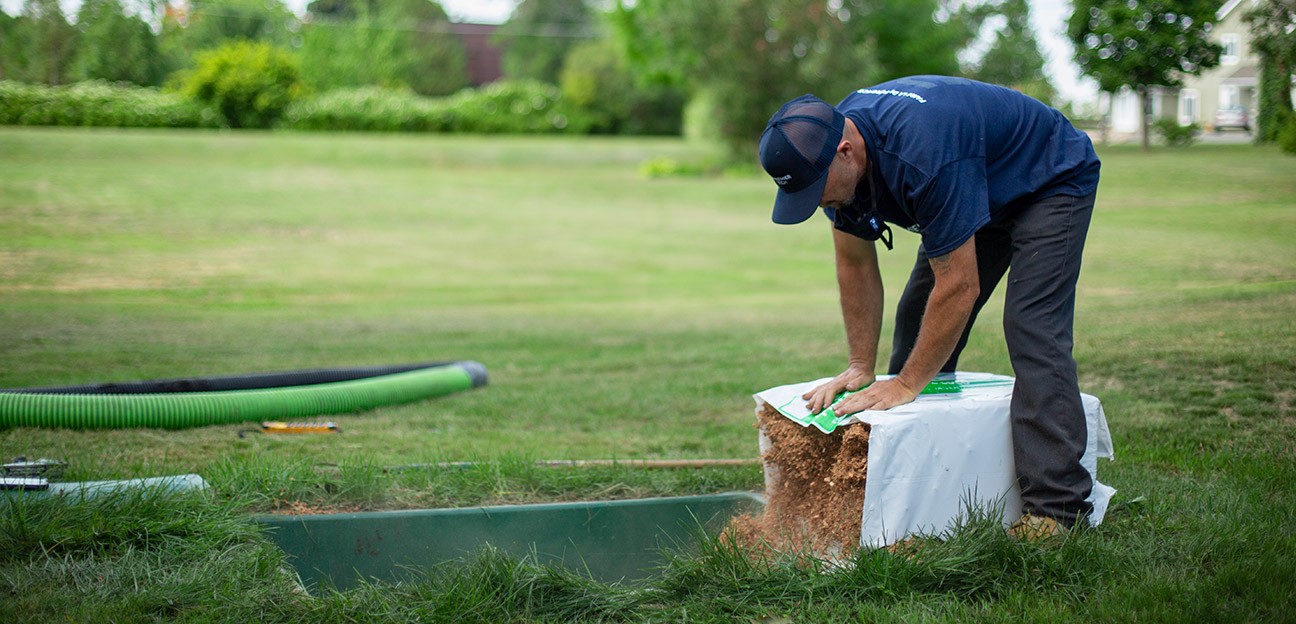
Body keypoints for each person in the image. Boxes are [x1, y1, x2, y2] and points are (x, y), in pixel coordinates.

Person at [757, 75, 1101, 539]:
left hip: (1048, 177)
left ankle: (1058, 511)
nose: (818, 202)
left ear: (846, 151)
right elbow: (855, 264)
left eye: (816, 190)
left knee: (1032, 327)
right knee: (916, 321)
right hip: (977, 178)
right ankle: (930, 492)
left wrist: (906, 383)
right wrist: (862, 366)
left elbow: (960, 287)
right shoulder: (825, 148)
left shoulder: (922, 152)